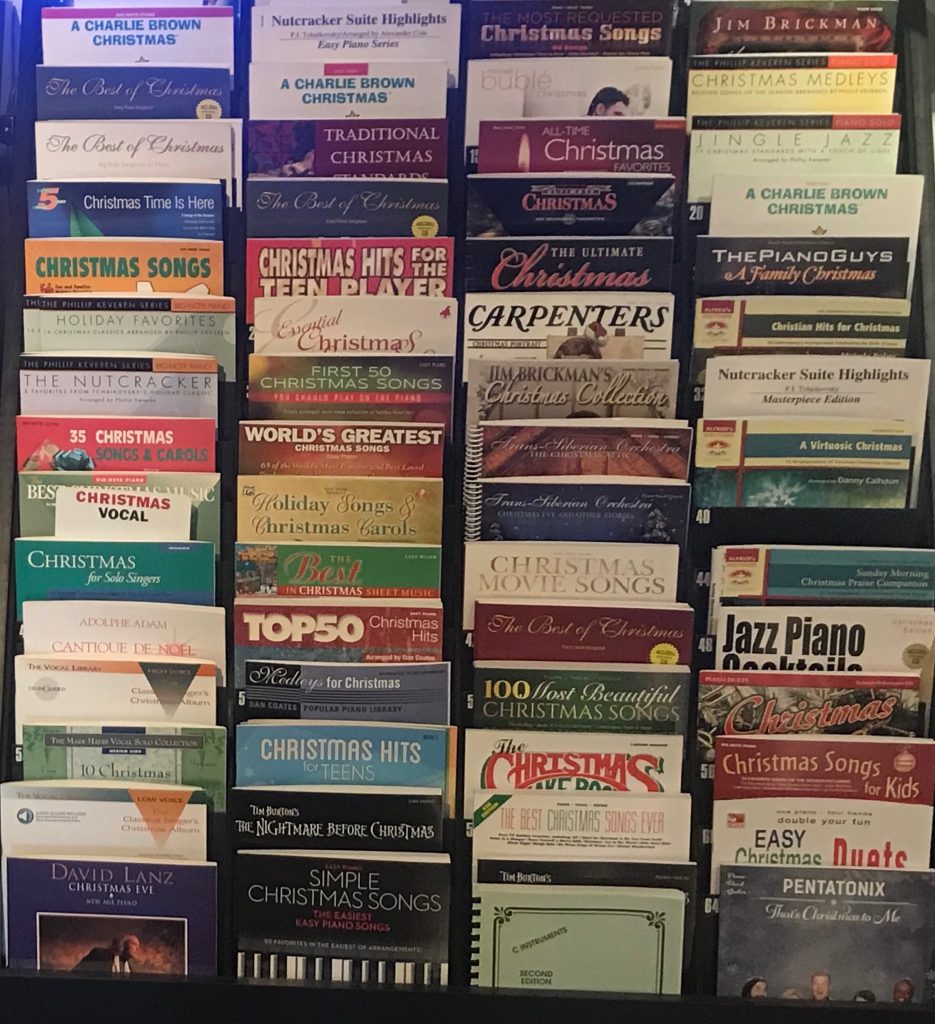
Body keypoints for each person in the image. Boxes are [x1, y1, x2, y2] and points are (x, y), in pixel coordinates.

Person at [74, 934, 142, 974]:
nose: (137, 948)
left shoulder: (129, 969)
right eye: (134, 944)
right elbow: (77, 973)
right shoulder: (99, 954)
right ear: (122, 944)